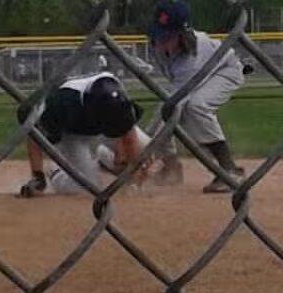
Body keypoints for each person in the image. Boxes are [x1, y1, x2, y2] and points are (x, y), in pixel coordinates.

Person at [148, 0, 245, 194]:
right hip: (197, 76)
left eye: (167, 37)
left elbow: (175, 105)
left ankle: (229, 170)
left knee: (195, 106)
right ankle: (171, 166)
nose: (160, 41)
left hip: (225, 71)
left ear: (181, 34)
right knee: (166, 110)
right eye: (158, 34)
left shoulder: (193, 55)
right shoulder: (157, 44)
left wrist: (144, 149)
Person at [17, 72, 148, 197]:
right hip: (72, 134)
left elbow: (128, 133)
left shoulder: (117, 96)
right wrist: (38, 176)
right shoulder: (61, 102)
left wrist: (132, 174)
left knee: (147, 148)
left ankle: (104, 159)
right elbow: (35, 135)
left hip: (98, 124)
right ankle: (55, 170)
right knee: (86, 187)